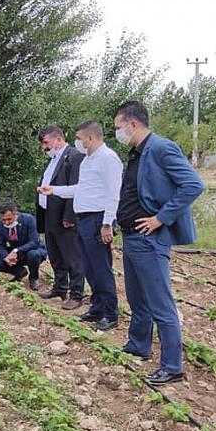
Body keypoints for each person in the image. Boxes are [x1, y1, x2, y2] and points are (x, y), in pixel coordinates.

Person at [113, 100, 204, 386]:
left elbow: (193, 184)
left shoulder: (161, 148)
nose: (117, 132)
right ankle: (138, 344)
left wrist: (160, 218)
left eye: (118, 127)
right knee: (137, 298)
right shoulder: (136, 153)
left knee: (160, 304)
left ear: (133, 124)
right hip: (131, 236)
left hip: (149, 238)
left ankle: (172, 366)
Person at [38, 121, 123, 331]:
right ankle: (96, 308)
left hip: (97, 219)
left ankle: (110, 313)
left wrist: (107, 223)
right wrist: (54, 190)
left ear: (91, 138)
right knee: (89, 267)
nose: (78, 142)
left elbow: (114, 194)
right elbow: (80, 189)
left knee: (101, 268)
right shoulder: (88, 161)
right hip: (83, 219)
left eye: (80, 138)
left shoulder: (108, 159)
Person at [35, 125, 85, 309]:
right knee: (55, 254)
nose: (44, 147)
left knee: (72, 255)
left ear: (58, 139)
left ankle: (77, 293)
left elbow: (76, 188)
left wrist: (70, 216)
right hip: (49, 214)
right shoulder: (53, 159)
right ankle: (60, 287)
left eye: (46, 142)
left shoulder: (74, 156)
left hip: (64, 216)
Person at [0, 203, 47, 290]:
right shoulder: (0, 226)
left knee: (33, 255)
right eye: (3, 220)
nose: (6, 222)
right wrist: (6, 257)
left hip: (33, 250)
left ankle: (33, 278)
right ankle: (20, 272)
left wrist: (17, 250)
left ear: (15, 213)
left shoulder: (29, 219)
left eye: (9, 219)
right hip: (16, 253)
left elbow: (34, 242)